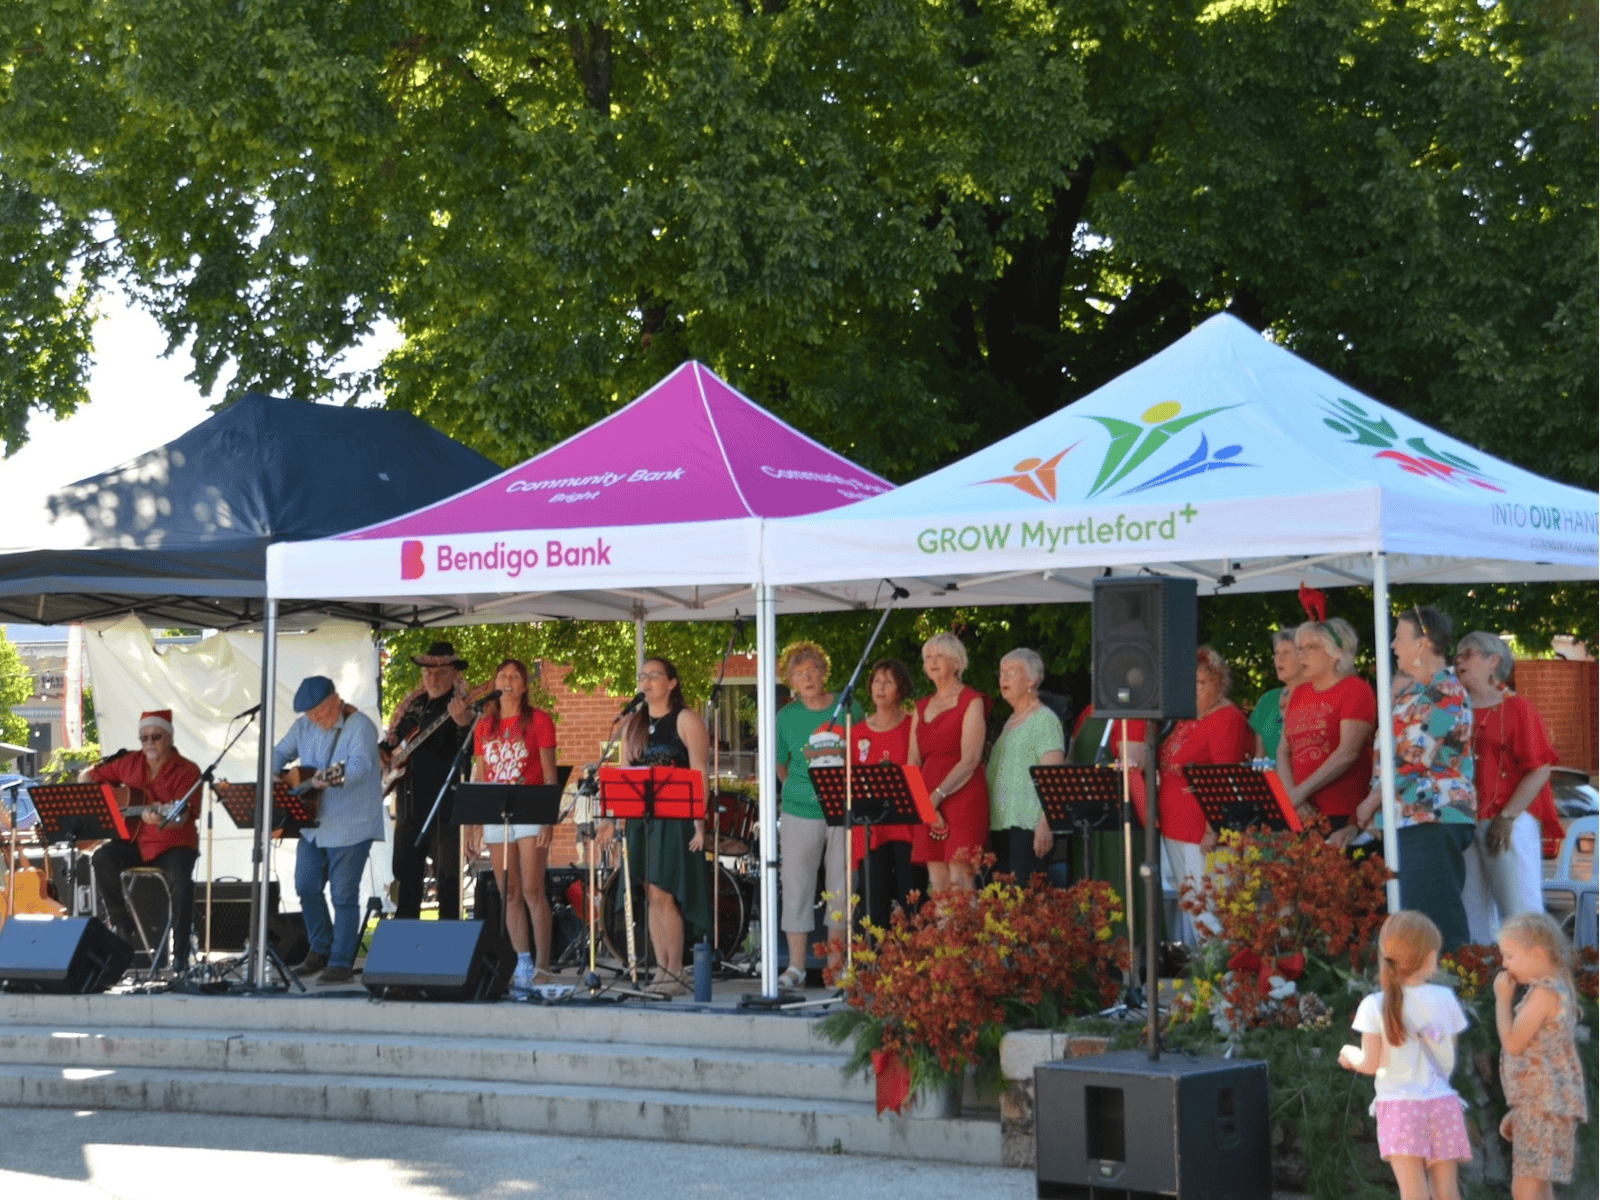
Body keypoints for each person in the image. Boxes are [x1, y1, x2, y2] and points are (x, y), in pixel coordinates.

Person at [1337, 606, 1476, 950]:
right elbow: (1388, 758)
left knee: (1433, 921)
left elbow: (1413, 758)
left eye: (1399, 637)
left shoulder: (1446, 691)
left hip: (1433, 816)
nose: (1393, 645)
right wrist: (1379, 814)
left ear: (1424, 643)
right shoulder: (1412, 693)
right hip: (1408, 818)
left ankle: (1450, 981)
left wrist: (1371, 803)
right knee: (1411, 922)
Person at [1340, 910, 1471, 1200]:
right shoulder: (1445, 998)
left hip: (1399, 1108)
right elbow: (1448, 1060)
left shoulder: (1373, 1005)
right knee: (1447, 1193)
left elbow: (1370, 1064)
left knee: (1413, 1193)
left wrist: (1349, 1055)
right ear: (1429, 958)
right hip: (1442, 1104)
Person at [272, 676, 384, 983]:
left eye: (322, 712)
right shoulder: (303, 727)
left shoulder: (360, 726)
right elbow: (278, 753)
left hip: (351, 826)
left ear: (336, 699)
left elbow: (360, 766)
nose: (317, 719)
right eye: (311, 715)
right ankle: (319, 950)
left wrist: (327, 777)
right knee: (305, 885)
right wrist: (275, 776)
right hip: (313, 825)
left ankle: (341, 962)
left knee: (343, 895)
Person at [1455, 632, 1563, 946]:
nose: (1459, 661)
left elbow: (1540, 768)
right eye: (1457, 655)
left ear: (1494, 661)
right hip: (1464, 821)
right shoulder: (1451, 709)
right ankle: (1482, 973)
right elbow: (1432, 755)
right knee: (1472, 913)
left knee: (1521, 910)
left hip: (1509, 821)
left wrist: (1507, 817)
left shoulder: (1518, 708)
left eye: (1468, 654)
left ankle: (1535, 970)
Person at [463, 658, 559, 997]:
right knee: (510, 894)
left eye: (515, 676)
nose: (508, 680)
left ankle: (544, 963)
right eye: (502, 675)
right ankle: (523, 961)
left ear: (524, 685)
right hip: (495, 811)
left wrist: (548, 819)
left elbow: (550, 775)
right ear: (494, 683)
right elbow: (480, 775)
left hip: (530, 809)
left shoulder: (539, 720)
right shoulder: (483, 726)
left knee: (533, 890)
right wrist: (472, 824)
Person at [618, 656, 711, 996]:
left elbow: (700, 773)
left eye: (654, 675)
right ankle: (661, 968)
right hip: (641, 820)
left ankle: (676, 969)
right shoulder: (633, 724)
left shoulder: (686, 719)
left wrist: (699, 822)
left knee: (664, 891)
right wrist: (617, 823)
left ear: (672, 683)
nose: (646, 681)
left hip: (675, 818)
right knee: (649, 893)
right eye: (642, 675)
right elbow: (625, 775)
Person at [85, 709, 203, 971]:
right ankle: (122, 924)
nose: (149, 743)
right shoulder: (129, 762)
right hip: (134, 841)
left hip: (173, 844)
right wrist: (105, 802)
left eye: (156, 737)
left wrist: (162, 818)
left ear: (169, 738)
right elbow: (89, 777)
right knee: (102, 858)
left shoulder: (188, 771)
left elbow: (182, 816)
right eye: (144, 738)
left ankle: (180, 954)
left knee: (181, 883)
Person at [1152, 646, 1254, 945]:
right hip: (1175, 826)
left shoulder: (1227, 718)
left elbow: (1227, 778)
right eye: (1189, 682)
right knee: (1191, 904)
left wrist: (1213, 827)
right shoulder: (1184, 717)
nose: (1193, 689)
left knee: (1210, 906)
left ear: (1219, 683)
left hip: (1203, 830)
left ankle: (1222, 966)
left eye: (1201, 682)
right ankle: (1201, 966)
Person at [774, 641, 860, 988]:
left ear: (824, 673)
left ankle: (836, 967)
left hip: (842, 809)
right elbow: (781, 764)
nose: (807, 678)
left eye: (812, 670)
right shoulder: (786, 716)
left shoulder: (848, 707)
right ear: (791, 681)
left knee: (840, 887)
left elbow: (862, 752)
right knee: (796, 886)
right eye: (798, 674)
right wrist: (796, 790)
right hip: (799, 809)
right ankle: (795, 967)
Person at [1494, 911, 1588, 1199]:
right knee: (1540, 1183)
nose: (1505, 964)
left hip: (1541, 1105)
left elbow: (1513, 1044)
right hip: (1546, 1103)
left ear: (1536, 954)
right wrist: (1518, 1109)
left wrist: (1502, 1000)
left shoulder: (1543, 994)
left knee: (1525, 1186)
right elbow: (1542, 1058)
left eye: (1510, 956)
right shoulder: (1558, 988)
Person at [383, 641, 476, 921]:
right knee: (405, 876)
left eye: (440, 673)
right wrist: (383, 757)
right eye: (427, 673)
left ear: (455, 674)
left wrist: (464, 725)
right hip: (409, 807)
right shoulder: (413, 705)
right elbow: (392, 743)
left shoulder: (463, 705)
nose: (432, 678)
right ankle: (405, 937)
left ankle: (448, 938)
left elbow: (469, 752)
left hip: (445, 808)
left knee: (448, 880)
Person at [908, 632, 989, 894]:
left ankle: (966, 925)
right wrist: (926, 805)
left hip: (962, 794)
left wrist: (936, 797)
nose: (932, 662)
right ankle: (941, 925)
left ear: (957, 662)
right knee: (938, 884)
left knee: (960, 882)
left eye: (940, 656)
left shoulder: (972, 701)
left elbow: (971, 759)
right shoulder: (920, 707)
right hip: (927, 799)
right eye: (928, 657)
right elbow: (911, 762)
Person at [1278, 617, 1376, 831]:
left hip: (1342, 814)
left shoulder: (1355, 689)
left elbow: (1348, 753)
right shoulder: (1299, 693)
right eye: (1300, 648)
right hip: (1300, 812)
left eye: (1311, 648)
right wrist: (1293, 797)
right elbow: (1283, 751)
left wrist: (1298, 793)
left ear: (1336, 653)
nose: (1301, 655)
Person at [849, 658, 924, 930]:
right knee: (873, 902)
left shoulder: (913, 725)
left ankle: (914, 953)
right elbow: (852, 781)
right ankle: (873, 954)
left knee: (912, 897)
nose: (880, 688)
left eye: (888, 682)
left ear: (901, 688)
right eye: (876, 681)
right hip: (871, 828)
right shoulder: (857, 732)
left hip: (907, 825)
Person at [987, 648, 1065, 886]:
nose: (1003, 678)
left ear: (1032, 680)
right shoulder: (1010, 721)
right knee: (1002, 899)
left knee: (1024, 899)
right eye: (1001, 673)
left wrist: (1046, 824)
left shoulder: (1045, 719)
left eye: (1011, 672)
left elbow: (1052, 777)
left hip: (1030, 824)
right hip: (1002, 823)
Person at [1249, 629, 1303, 761]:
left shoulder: (1319, 695)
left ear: (1303, 658)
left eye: (1286, 653)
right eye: (1277, 653)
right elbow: (1259, 758)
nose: (1279, 659)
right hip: (1272, 773)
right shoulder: (1268, 700)